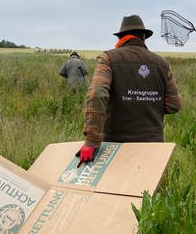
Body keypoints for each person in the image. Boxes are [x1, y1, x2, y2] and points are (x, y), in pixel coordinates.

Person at [77, 14, 182, 163]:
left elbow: (97, 94)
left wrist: (92, 141)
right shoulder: (162, 64)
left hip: (114, 148)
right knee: (147, 186)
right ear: (144, 37)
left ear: (121, 38)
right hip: (153, 147)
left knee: (113, 186)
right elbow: (174, 105)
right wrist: (147, 102)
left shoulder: (108, 59)